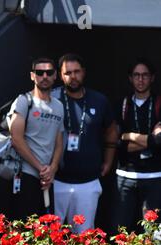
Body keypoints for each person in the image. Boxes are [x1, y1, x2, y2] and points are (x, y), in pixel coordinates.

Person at [51, 53, 118, 233]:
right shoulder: (51, 99)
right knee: (50, 237)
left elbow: (112, 130)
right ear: (60, 74)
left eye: (77, 72)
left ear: (84, 73)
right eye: (68, 73)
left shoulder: (99, 100)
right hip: (56, 181)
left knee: (84, 236)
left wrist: (108, 161)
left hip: (88, 182)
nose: (73, 77)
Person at [8, 57, 64, 220]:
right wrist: (40, 168)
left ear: (55, 76)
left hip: (47, 178)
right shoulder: (24, 101)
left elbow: (59, 142)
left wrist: (52, 169)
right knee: (24, 230)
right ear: (33, 76)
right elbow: (16, 139)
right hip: (27, 175)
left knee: (45, 232)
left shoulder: (58, 106)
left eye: (49, 72)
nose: (44, 76)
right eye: (40, 72)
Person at [111, 58, 161, 234]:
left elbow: (159, 141)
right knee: (121, 229)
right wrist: (150, 141)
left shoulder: (158, 103)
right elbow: (116, 143)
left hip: (155, 176)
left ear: (152, 78)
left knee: (153, 232)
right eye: (137, 75)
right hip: (125, 175)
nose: (141, 80)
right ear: (130, 78)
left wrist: (129, 136)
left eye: (145, 75)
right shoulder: (121, 104)